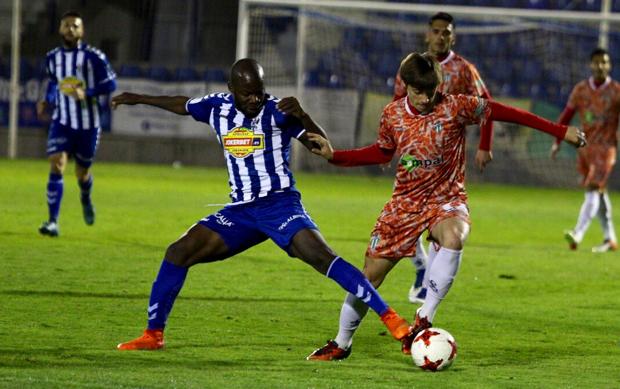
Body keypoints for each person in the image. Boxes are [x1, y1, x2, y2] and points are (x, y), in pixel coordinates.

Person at [111, 58, 413, 351]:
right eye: (247, 93)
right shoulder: (216, 107)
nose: (256, 98)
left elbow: (320, 146)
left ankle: (391, 318)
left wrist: (303, 115)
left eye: (259, 90)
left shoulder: (278, 110)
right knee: (178, 252)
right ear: (231, 89)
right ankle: (153, 334)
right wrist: (136, 98)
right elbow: (181, 104)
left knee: (322, 257)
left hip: (280, 204)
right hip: (241, 212)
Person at [306, 52, 585, 361]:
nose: (426, 98)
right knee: (370, 276)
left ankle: (424, 317)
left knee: (454, 236)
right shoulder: (393, 114)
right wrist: (336, 156)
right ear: (406, 85)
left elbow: (506, 113)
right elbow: (382, 152)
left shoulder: (455, 106)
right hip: (406, 203)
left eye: (432, 90)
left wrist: (561, 131)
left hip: (447, 199)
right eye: (419, 91)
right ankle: (341, 343)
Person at [393, 12, 495, 304]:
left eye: (445, 32)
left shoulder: (463, 69)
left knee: (444, 222)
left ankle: (429, 287)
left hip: (447, 160)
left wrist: (484, 145)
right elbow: (397, 105)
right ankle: (420, 269)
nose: (440, 36)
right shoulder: (412, 65)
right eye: (435, 31)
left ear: (453, 36)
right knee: (402, 217)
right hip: (413, 155)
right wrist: (390, 145)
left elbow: (488, 106)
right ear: (427, 34)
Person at [37, 11, 117, 237]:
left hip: (88, 125)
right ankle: (52, 221)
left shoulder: (94, 57)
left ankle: (85, 196)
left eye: (75, 26)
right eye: (66, 26)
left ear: (82, 31)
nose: (70, 29)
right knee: (57, 163)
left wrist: (88, 92)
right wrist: (47, 100)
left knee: (82, 173)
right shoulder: (52, 57)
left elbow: (111, 84)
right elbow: (54, 84)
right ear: (60, 29)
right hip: (62, 121)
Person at [551, 48, 620, 253]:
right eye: (596, 62)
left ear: (609, 66)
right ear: (590, 65)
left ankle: (577, 233)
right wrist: (557, 140)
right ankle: (610, 239)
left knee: (592, 187)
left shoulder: (617, 91)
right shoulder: (581, 89)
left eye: (604, 62)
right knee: (599, 192)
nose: (600, 66)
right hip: (585, 148)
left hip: (606, 149)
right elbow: (566, 115)